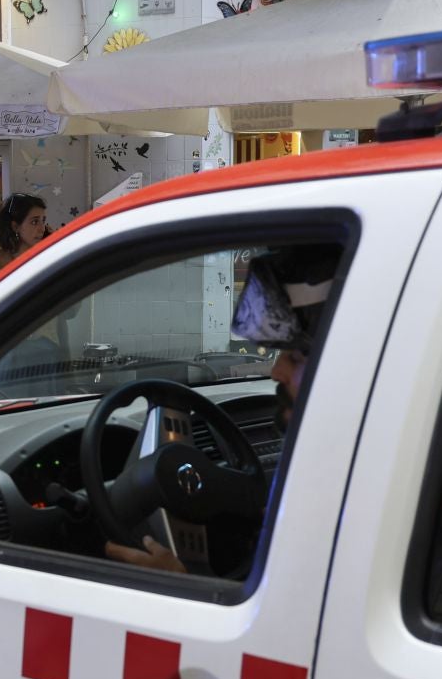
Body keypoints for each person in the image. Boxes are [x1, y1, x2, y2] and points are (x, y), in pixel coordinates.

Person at [104, 245, 339, 575]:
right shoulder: (342, 466)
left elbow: (289, 619)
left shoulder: (351, 496)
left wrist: (178, 586)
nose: (276, 372)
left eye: (297, 357)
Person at [0, 193, 49, 282]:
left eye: (43, 221)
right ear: (15, 227)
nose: (42, 228)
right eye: (34, 222)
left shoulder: (47, 259)